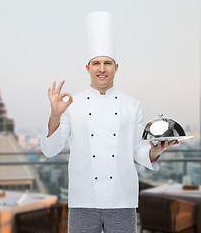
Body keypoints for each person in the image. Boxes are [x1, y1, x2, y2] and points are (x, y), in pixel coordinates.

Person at [40, 12, 178, 233]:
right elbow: (50, 149)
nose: (101, 69)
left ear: (116, 67)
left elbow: (138, 150)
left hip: (122, 201)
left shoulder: (132, 105)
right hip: (83, 200)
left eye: (107, 63)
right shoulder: (71, 105)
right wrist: (55, 115)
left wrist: (154, 152)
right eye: (96, 63)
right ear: (88, 68)